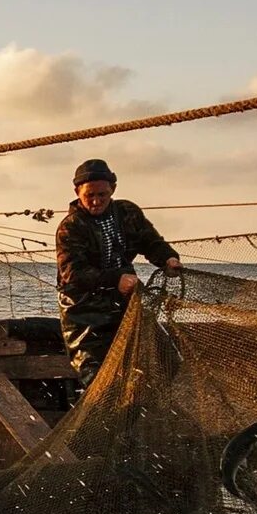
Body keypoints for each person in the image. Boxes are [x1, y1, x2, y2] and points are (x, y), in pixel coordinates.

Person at [54, 158, 180, 382]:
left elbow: (150, 242)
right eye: (89, 195)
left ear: (113, 189)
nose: (96, 201)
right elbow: (73, 274)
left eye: (102, 195)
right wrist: (116, 278)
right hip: (84, 312)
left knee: (167, 358)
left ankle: (142, 408)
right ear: (77, 192)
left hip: (124, 304)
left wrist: (168, 258)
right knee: (97, 377)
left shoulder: (127, 212)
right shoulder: (70, 227)